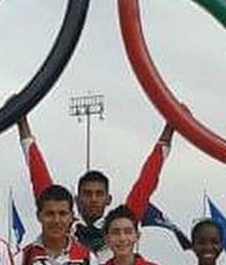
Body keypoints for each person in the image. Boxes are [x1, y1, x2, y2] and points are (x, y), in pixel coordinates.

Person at [17, 110, 175, 257]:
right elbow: (39, 179)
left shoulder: (119, 228)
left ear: (108, 199)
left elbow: (146, 183)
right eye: (87, 194)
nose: (93, 199)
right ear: (77, 199)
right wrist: (21, 122)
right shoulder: (63, 225)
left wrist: (170, 130)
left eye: (99, 194)